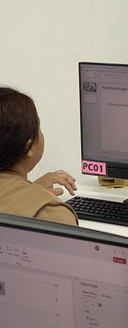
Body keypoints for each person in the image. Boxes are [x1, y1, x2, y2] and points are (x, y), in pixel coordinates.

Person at [0, 86, 78, 226]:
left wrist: (31, 190)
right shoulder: (53, 215)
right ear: (28, 147)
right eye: (38, 128)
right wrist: (37, 196)